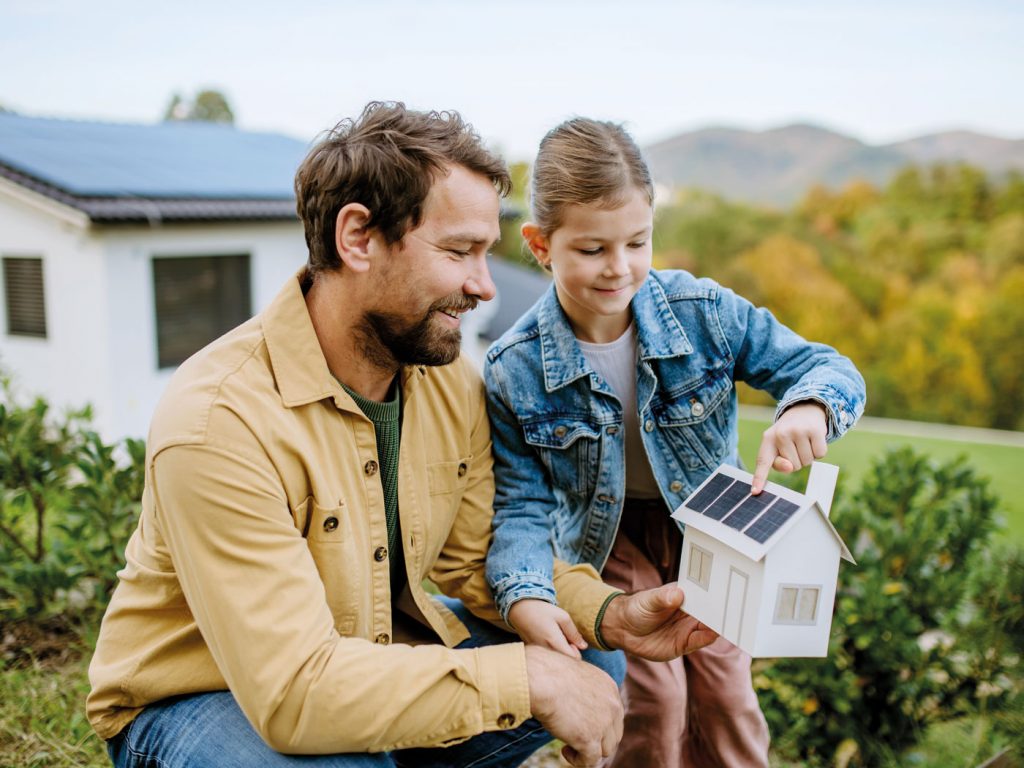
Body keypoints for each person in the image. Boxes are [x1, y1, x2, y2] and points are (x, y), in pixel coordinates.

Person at [86, 102, 718, 768]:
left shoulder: (443, 378)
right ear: (358, 237)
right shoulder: (219, 421)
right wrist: (525, 678)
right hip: (204, 695)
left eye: (486, 253)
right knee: (356, 747)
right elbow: (295, 691)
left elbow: (481, 555)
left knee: (587, 656)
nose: (482, 286)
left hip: (366, 653)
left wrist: (608, 613)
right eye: (458, 252)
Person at [484, 117, 867, 768]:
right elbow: (520, 504)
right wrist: (524, 591)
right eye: (593, 250)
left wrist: (808, 406)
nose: (620, 268)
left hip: (714, 527)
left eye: (637, 242)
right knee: (651, 702)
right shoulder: (513, 367)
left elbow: (825, 368)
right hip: (608, 542)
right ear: (541, 244)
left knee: (727, 693)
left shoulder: (704, 312)